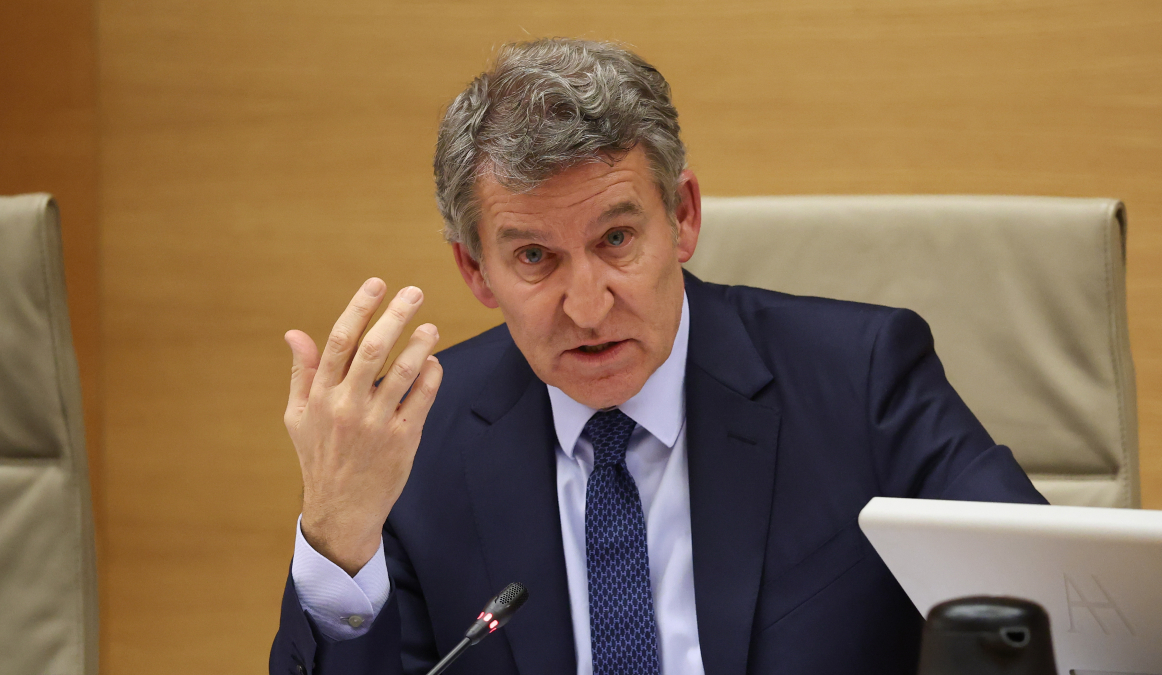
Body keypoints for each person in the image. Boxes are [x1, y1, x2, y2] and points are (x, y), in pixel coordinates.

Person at [270, 38, 1046, 675]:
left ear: (682, 216)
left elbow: (1049, 605)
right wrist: (339, 536)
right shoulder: (412, 444)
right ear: (476, 269)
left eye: (616, 239)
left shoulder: (860, 380)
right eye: (535, 256)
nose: (586, 306)